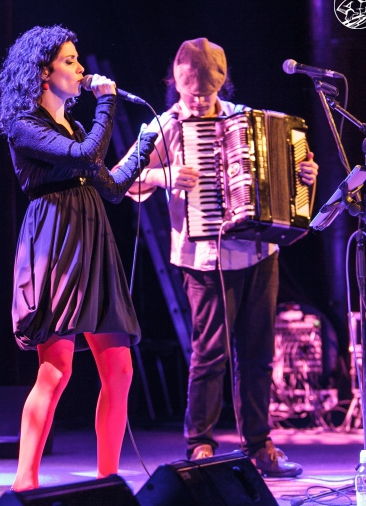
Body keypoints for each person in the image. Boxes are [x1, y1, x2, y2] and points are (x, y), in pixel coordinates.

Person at [123, 38, 319, 477]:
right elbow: (124, 179)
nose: (198, 102)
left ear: (221, 85)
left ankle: (260, 445)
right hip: (203, 257)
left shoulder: (245, 119)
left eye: (207, 93)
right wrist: (164, 175)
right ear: (176, 85)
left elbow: (291, 170)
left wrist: (305, 172)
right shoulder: (164, 126)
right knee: (210, 354)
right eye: (191, 94)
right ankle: (200, 444)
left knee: (258, 354)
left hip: (258, 252)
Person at [0, 25, 157, 491]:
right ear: (43, 72)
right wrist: (106, 102)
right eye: (70, 60)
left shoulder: (76, 128)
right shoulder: (24, 124)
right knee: (56, 368)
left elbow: (112, 188)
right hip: (56, 242)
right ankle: (24, 484)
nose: (82, 68)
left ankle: (108, 482)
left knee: (120, 370)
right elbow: (86, 157)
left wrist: (144, 144)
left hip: (93, 242)